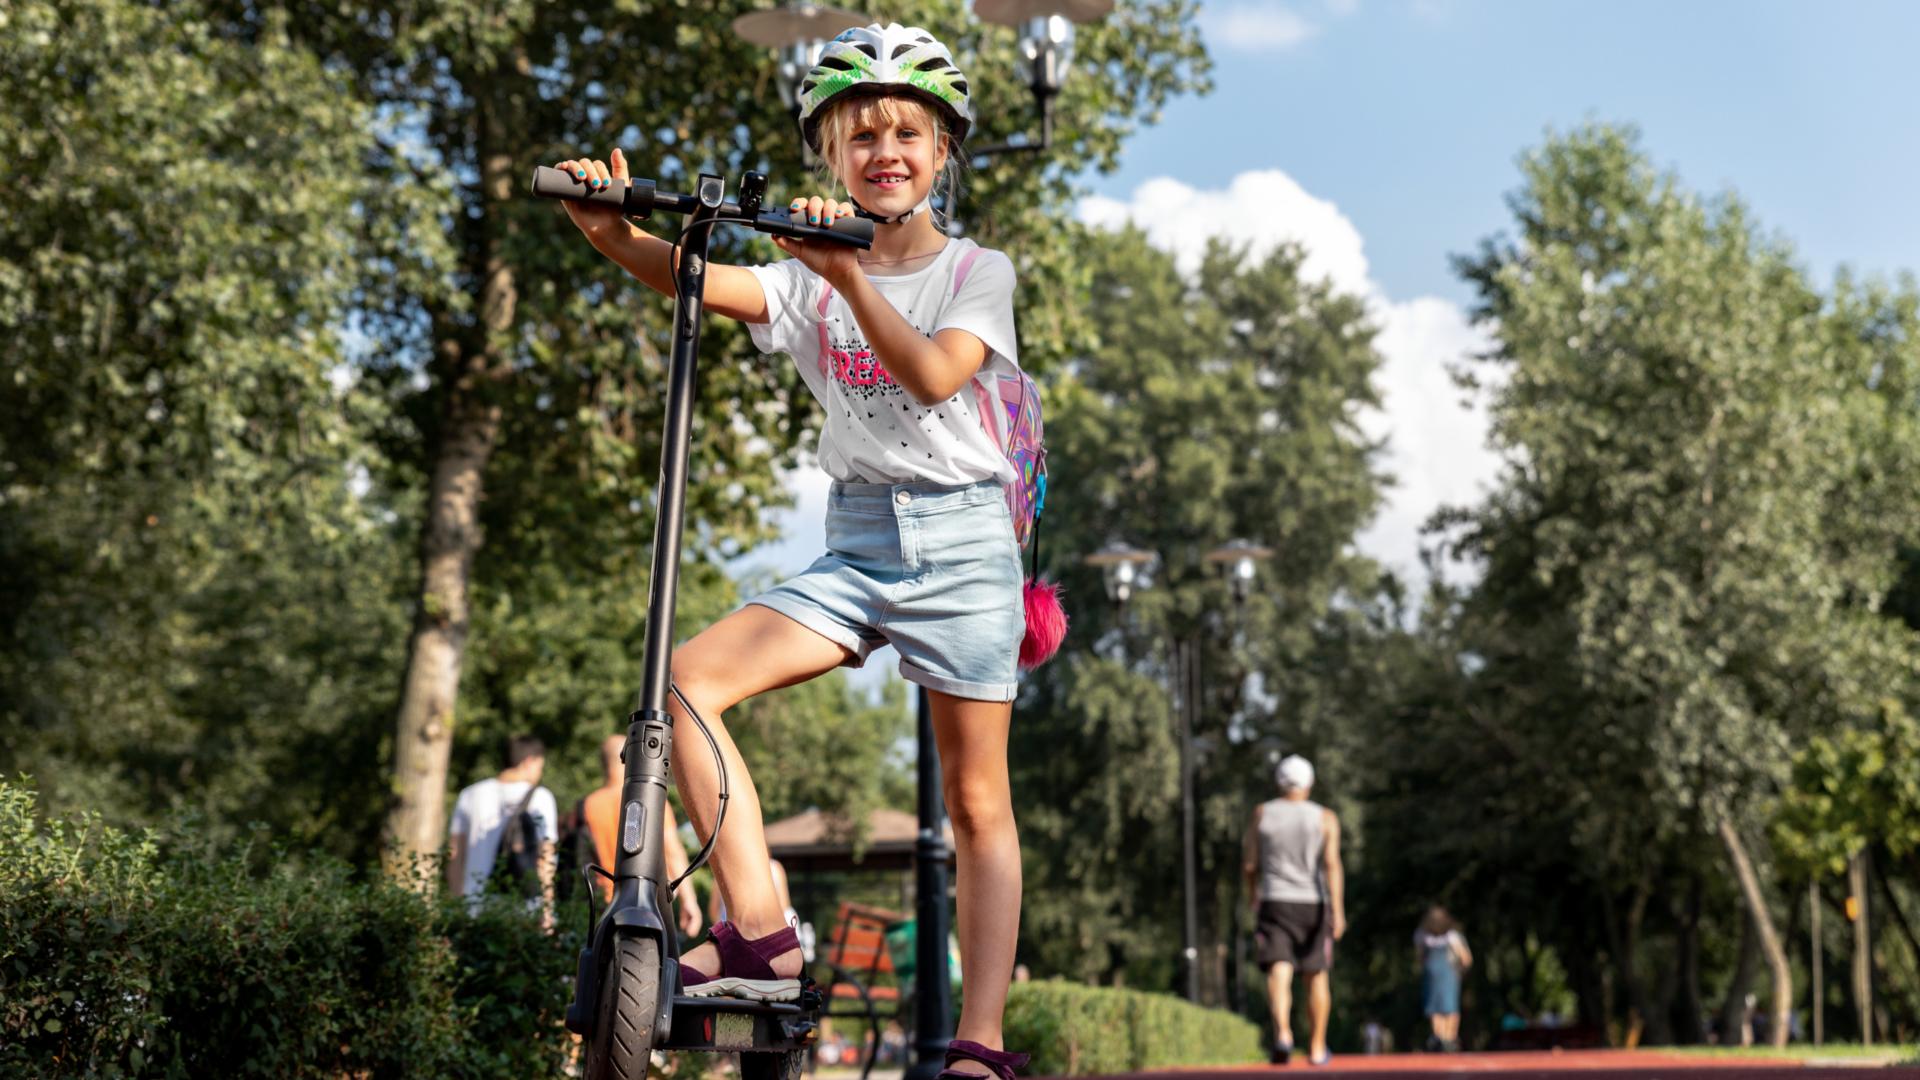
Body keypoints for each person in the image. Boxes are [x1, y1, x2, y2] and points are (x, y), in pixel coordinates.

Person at [555, 24, 1029, 1080]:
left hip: (963, 543)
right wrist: (605, 232)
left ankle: (980, 1046)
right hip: (859, 540)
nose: (884, 151)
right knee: (682, 687)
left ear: (943, 151)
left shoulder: (974, 272)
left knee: (975, 802)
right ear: (827, 155)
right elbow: (687, 277)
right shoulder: (800, 279)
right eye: (859, 136)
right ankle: (760, 925)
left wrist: (849, 273)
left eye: (907, 132)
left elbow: (934, 379)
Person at [1243, 755, 1345, 1067]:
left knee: (1279, 968)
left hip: (1275, 900)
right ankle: (1316, 1048)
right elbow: (1331, 864)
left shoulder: (1262, 813)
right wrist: (1338, 910)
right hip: (1314, 903)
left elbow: (1249, 864)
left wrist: (1252, 894)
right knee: (1316, 975)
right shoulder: (1325, 817)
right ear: (1310, 783)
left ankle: (1284, 1033)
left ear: (1278, 783)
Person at [574, 733, 702, 936]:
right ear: (631, 757)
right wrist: (690, 900)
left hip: (605, 905)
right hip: (647, 902)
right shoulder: (650, 799)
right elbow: (671, 850)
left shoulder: (588, 805)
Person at [448, 735, 559, 920]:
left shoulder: (469, 795)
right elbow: (545, 856)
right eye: (540, 767)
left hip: (474, 907)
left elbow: (453, 854)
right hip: (525, 910)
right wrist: (547, 910)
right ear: (529, 762)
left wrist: (458, 905)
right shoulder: (541, 797)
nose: (539, 774)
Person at [1414, 906, 1472, 1051]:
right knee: (1450, 1005)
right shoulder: (1453, 936)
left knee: (1435, 1007)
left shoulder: (1422, 935)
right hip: (1450, 973)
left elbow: (1420, 957)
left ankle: (1438, 1037)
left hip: (1432, 973)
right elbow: (1466, 959)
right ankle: (1450, 1038)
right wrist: (1461, 972)